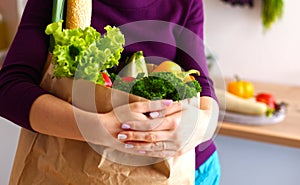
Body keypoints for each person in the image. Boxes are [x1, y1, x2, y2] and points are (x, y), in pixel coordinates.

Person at [0, 0, 221, 184]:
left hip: (188, 170)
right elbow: (9, 88)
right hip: (73, 168)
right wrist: (101, 128)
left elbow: (201, 83)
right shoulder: (61, 2)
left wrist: (200, 126)